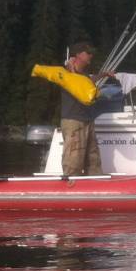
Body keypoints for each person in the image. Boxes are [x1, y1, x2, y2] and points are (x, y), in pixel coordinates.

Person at [59, 41, 104, 176]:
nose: (91, 55)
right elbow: (70, 78)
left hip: (87, 119)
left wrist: (104, 75)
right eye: (88, 53)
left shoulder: (84, 74)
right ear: (78, 55)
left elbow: (88, 81)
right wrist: (70, 65)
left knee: (93, 158)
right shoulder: (67, 70)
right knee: (74, 158)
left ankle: (96, 179)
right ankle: (71, 181)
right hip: (73, 120)